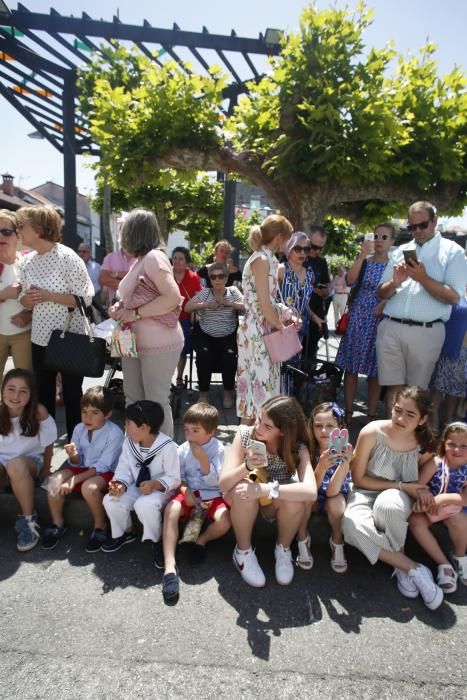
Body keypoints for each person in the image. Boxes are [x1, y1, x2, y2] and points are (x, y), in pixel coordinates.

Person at [342, 386, 444, 610]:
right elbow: (358, 479)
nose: (400, 418)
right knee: (349, 525)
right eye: (398, 410)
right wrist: (401, 485)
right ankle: (410, 567)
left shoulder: (423, 444)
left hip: (398, 496)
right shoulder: (371, 432)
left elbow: (433, 463)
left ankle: (400, 563)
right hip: (366, 491)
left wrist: (420, 489)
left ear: (422, 419)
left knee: (389, 505)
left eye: (410, 414)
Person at [377, 201, 467, 413]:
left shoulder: (453, 251)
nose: (417, 231)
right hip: (391, 327)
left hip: (427, 331)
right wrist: (394, 283)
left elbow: (454, 297)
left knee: (416, 395)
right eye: (412, 227)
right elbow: (380, 292)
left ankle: (411, 443)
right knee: (394, 391)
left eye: (422, 225)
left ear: (434, 221)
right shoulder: (401, 250)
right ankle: (392, 440)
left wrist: (423, 278)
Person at [220, 396, 317, 587]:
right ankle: (243, 552)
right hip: (247, 503)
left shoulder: (297, 447)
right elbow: (223, 484)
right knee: (242, 489)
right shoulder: (245, 434)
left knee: (295, 497)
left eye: (267, 426)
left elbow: (310, 491)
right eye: (259, 420)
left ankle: (283, 549)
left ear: (283, 432)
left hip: (275, 502)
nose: (258, 427)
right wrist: (246, 466)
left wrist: (264, 489)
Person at [16, 205, 94, 440]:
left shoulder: (67, 257)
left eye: (22, 226)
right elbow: (23, 299)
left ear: (39, 229)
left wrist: (49, 296)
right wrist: (27, 300)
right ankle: (45, 448)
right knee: (43, 396)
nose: (18, 230)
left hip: (69, 336)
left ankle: (76, 446)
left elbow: (85, 299)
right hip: (40, 337)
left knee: (72, 396)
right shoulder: (27, 261)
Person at [108, 209, 184, 437]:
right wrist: (122, 308)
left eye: (123, 229)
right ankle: (137, 452)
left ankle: (164, 461)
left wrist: (136, 313)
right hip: (134, 344)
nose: (120, 235)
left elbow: (172, 297)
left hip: (157, 344)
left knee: (155, 402)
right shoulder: (143, 259)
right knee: (134, 399)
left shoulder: (153, 258)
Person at [41, 386, 124, 553]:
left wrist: (74, 480)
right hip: (84, 469)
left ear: (107, 415)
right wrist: (73, 454)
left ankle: (101, 526)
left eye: (94, 413)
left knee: (89, 488)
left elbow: (103, 466)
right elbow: (77, 463)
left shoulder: (114, 433)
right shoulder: (79, 428)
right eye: (84, 412)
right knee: (53, 481)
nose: (88, 417)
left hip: (106, 473)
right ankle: (57, 523)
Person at [161, 403, 231, 601]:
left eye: (195, 431)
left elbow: (218, 481)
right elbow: (179, 477)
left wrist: (202, 459)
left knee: (225, 520)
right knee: (171, 509)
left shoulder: (218, 449)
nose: (189, 435)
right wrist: (185, 490)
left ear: (210, 432)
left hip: (212, 495)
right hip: (190, 493)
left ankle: (201, 541)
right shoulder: (182, 450)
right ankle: (169, 567)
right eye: (186, 430)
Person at [101, 400, 180, 565]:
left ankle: (158, 539)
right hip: (137, 486)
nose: (125, 426)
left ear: (144, 427)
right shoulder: (129, 442)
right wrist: (120, 484)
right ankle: (127, 531)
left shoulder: (168, 446)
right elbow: (124, 468)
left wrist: (154, 484)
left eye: (128, 423)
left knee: (144, 505)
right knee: (110, 499)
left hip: (160, 490)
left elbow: (174, 477)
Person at [236, 214, 294, 423]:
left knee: (262, 388)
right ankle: (246, 448)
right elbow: (263, 304)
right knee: (257, 391)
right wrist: (282, 325)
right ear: (279, 236)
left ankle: (252, 447)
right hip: (257, 330)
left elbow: (266, 302)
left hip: (262, 328)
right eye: (287, 238)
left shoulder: (268, 259)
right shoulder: (261, 260)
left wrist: (286, 316)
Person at [335, 224, 395, 424]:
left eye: (384, 237)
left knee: (375, 370)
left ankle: (371, 414)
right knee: (351, 367)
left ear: (392, 241)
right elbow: (350, 280)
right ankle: (349, 411)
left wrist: (384, 302)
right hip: (358, 317)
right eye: (376, 235)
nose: (379, 240)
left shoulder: (394, 266)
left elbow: (399, 291)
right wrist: (361, 256)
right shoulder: (366, 262)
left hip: (380, 319)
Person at [0, 369, 57, 551]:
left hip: (29, 465)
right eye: (11, 389)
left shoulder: (38, 412)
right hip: (3, 467)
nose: (16, 396)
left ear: (31, 394)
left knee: (16, 465)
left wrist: (47, 470)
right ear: (2, 390)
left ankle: (28, 519)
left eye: (23, 391)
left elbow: (48, 444)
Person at [409, 421, 467, 593]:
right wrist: (422, 502)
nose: (457, 450)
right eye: (452, 444)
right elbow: (418, 485)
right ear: (444, 444)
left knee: (459, 520)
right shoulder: (436, 462)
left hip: (453, 507)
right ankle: (443, 564)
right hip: (429, 506)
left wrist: (443, 499)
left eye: (464, 445)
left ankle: (459, 555)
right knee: (415, 521)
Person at [295, 402, 352, 573]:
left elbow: (332, 491)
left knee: (337, 504)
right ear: (311, 427)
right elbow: (310, 488)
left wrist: (345, 464)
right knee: (304, 500)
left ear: (340, 427)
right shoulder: (306, 449)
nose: (324, 431)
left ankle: (336, 540)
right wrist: (321, 466)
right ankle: (302, 537)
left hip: (333, 494)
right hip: (311, 494)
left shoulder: (346, 450)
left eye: (330, 426)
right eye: (318, 426)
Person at [185, 262, 244, 408]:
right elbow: (187, 307)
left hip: (228, 333)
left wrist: (229, 303)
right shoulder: (205, 293)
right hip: (206, 332)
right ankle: (204, 393)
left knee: (230, 357)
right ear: (210, 279)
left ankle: (228, 393)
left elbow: (246, 306)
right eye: (213, 277)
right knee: (203, 355)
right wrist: (206, 305)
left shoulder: (233, 291)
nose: (217, 279)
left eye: (220, 276)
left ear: (226, 278)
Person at [278, 231, 316, 393]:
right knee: (280, 371)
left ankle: (287, 405)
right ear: (289, 248)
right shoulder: (281, 270)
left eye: (306, 249)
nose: (302, 253)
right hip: (280, 327)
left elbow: (304, 302)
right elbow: (270, 299)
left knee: (293, 370)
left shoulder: (310, 274)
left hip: (299, 330)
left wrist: (316, 317)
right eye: (298, 249)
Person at [0, 209, 32, 376]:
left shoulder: (27, 262)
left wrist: (28, 316)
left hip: (23, 333)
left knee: (25, 380)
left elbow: (40, 297)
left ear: (17, 236)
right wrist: (4, 294)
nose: (1, 237)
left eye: (5, 232)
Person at [429, 297, 467, 431]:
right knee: (438, 387)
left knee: (455, 390)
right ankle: (433, 421)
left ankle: (448, 422)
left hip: (463, 353)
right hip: (448, 348)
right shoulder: (457, 294)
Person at [171, 246, 202, 388]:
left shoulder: (193, 277)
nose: (177, 261)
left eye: (180, 258)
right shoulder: (166, 275)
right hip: (165, 317)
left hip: (185, 318)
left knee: (182, 345)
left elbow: (199, 296)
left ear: (186, 262)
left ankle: (179, 377)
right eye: (175, 258)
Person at [304, 226, 331, 365]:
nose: (317, 251)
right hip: (297, 313)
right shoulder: (294, 257)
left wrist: (325, 292)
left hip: (316, 314)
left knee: (310, 356)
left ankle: (308, 384)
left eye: (321, 248)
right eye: (314, 247)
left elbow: (327, 285)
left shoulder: (321, 262)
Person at [77, 243, 106, 321]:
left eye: (84, 251)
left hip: (95, 299)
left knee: (97, 322)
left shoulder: (96, 267)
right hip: (79, 299)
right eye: (79, 251)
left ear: (89, 253)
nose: (81, 254)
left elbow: (102, 283)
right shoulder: (73, 267)